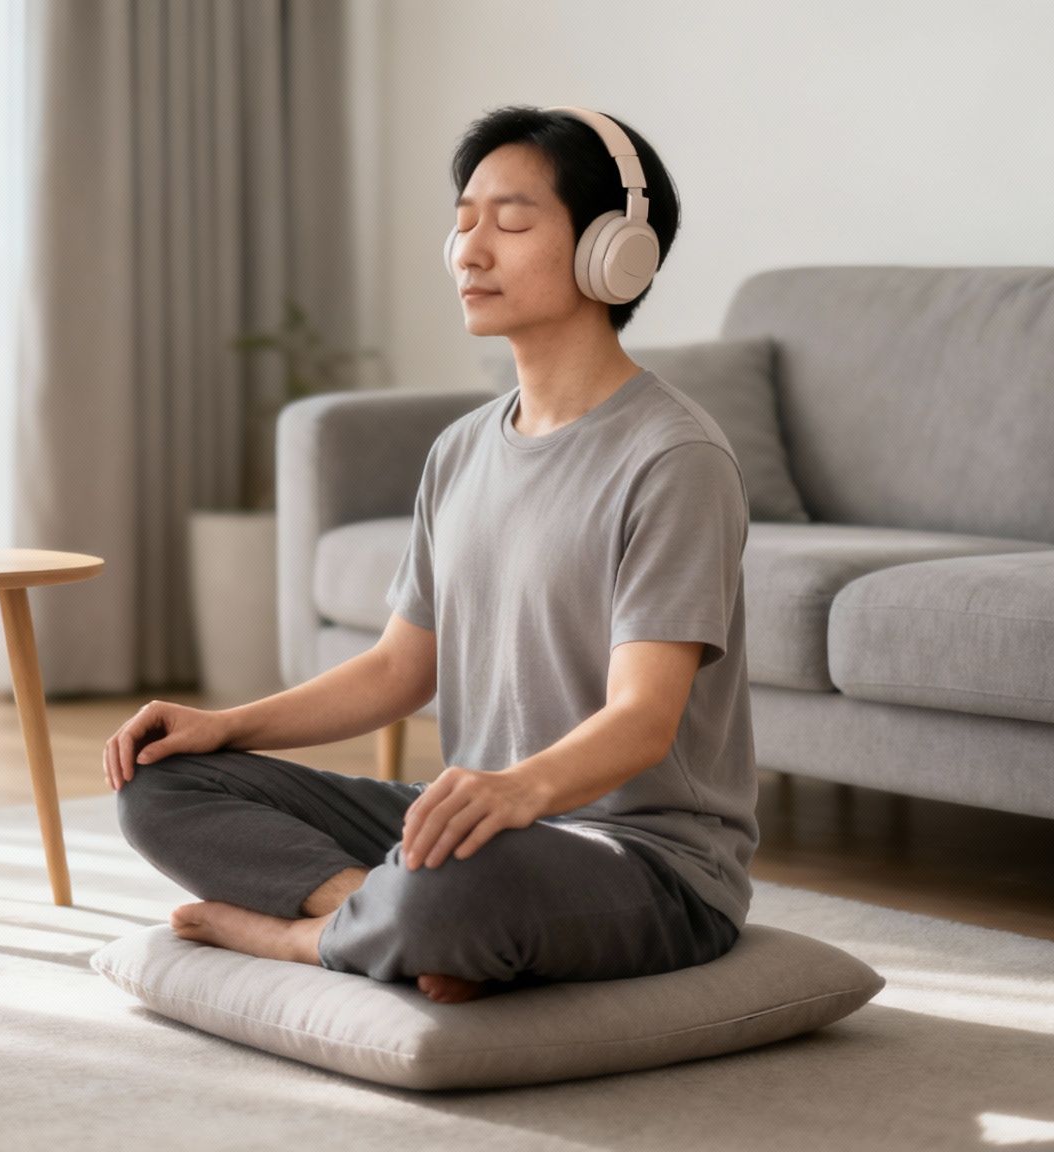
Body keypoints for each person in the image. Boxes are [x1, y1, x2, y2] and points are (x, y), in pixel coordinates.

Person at [105, 104, 755, 1005]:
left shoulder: (673, 458)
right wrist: (227, 725)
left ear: (615, 249)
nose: (470, 251)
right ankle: (384, 920)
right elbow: (397, 671)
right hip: (469, 830)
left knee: (460, 883)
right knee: (160, 785)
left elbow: (644, 719)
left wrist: (517, 794)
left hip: (640, 860)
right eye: (462, 224)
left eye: (512, 221)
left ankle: (312, 937)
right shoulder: (459, 450)